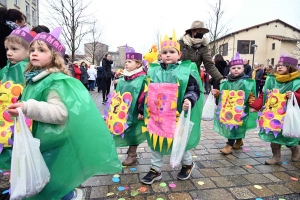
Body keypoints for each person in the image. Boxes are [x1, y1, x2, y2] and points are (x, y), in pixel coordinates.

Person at [5, 27, 122, 199]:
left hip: (53, 142)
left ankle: (70, 196)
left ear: (54, 56)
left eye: (41, 50)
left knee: (53, 182)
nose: (34, 53)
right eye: (32, 50)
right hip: (40, 141)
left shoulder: (55, 82)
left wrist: (27, 108)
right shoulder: (34, 78)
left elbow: (60, 113)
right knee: (47, 180)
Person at [141, 30, 203, 184]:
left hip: (176, 116)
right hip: (156, 117)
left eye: (172, 52)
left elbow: (193, 89)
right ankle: (155, 170)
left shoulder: (185, 71)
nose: (168, 55)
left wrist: (189, 100)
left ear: (179, 55)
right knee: (156, 142)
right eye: (164, 52)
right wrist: (139, 110)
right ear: (160, 55)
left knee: (179, 141)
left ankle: (187, 163)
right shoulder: (153, 70)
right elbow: (145, 91)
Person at [250, 55, 300, 165]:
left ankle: (295, 149)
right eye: (278, 65)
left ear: (291, 67)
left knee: (288, 137)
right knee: (273, 135)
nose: (279, 67)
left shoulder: (297, 82)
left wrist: (295, 95)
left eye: (283, 66)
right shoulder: (272, 80)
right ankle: (276, 157)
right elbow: (264, 95)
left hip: (288, 115)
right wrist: (255, 106)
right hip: (272, 115)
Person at [104, 47, 146, 166]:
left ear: (138, 64)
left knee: (134, 131)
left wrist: (141, 110)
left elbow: (144, 95)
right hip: (121, 110)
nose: (126, 64)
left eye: (130, 62)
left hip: (135, 111)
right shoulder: (124, 77)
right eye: (126, 61)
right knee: (116, 128)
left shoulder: (143, 78)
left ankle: (132, 154)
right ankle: (111, 152)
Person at [212, 52, 257, 154]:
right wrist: (217, 93)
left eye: (238, 68)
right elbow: (223, 94)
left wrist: (252, 104)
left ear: (243, 69)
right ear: (230, 69)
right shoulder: (226, 82)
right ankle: (239, 140)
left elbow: (251, 95)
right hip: (229, 108)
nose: (236, 70)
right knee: (232, 125)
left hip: (241, 109)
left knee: (237, 125)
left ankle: (229, 145)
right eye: (233, 68)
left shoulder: (247, 82)